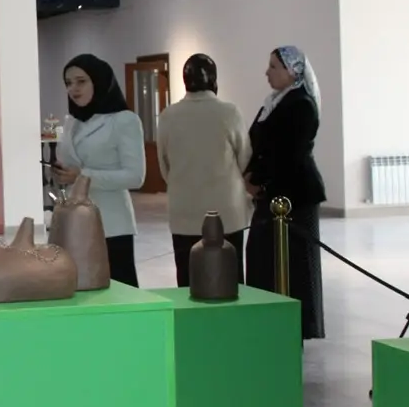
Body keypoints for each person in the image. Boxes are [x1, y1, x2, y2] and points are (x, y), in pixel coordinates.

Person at [244, 45, 328, 339]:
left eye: (274, 67)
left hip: (295, 196)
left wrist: (260, 181)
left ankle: (294, 327)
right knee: (263, 259)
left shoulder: (301, 104)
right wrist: (249, 175)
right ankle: (269, 323)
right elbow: (258, 145)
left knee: (294, 265)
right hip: (271, 195)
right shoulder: (274, 102)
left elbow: (289, 154)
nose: (267, 72)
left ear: (293, 71)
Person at [155, 54, 251, 287]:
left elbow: (164, 166)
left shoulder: (168, 115)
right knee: (230, 279)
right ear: (214, 80)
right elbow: (245, 159)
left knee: (188, 279)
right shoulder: (229, 112)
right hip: (226, 211)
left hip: (184, 210)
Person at [52, 53, 146, 286]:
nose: (73, 89)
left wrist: (82, 176)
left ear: (99, 81)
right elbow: (71, 162)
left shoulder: (124, 120)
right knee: (80, 287)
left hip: (111, 223)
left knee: (118, 289)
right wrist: (63, 173)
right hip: (75, 220)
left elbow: (135, 176)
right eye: (68, 83)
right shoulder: (72, 121)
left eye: (81, 81)